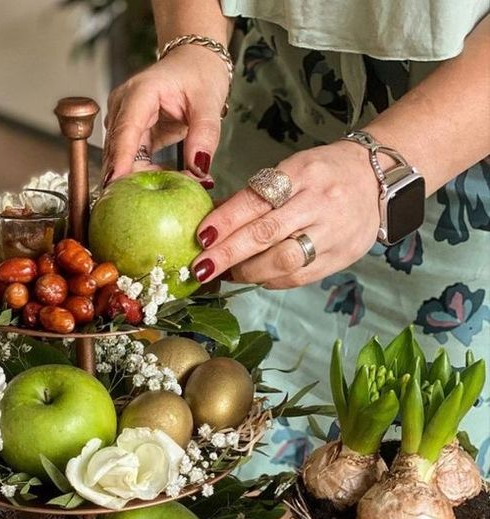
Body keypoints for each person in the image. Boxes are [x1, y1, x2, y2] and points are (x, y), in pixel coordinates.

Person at [103, 1, 490, 473]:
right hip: (275, 111)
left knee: (423, 504)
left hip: (463, 154)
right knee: (210, 468)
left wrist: (379, 172)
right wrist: (194, 42)